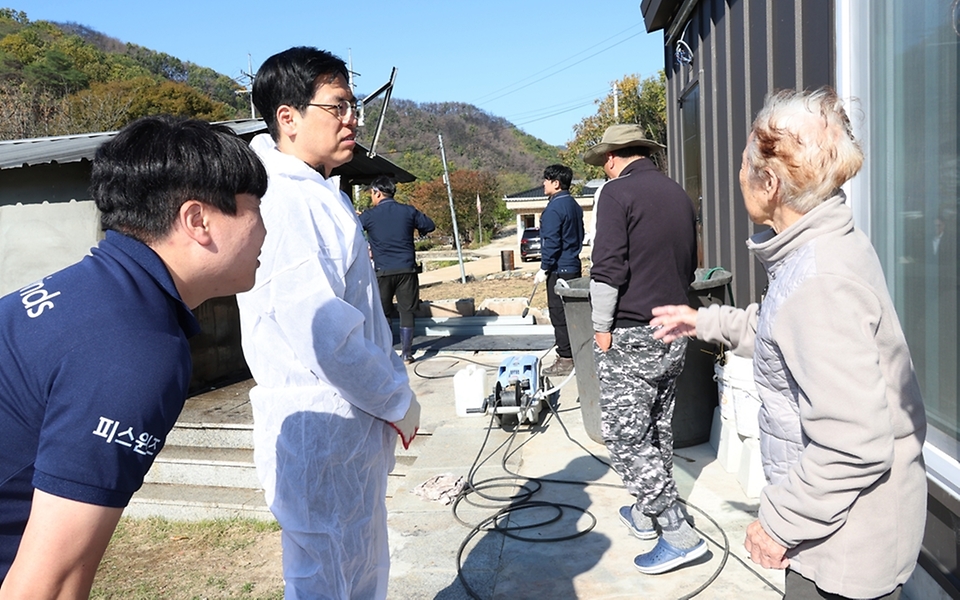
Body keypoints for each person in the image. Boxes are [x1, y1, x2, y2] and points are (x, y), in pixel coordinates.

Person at [650, 87, 927, 599]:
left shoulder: (816, 280)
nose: (738, 176)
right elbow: (780, 332)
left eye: (742, 164)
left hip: (844, 551)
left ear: (770, 183)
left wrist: (777, 525)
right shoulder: (818, 249)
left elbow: (854, 443)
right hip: (840, 530)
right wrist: (705, 321)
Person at [0, 115, 267, 597]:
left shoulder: (84, 291)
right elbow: (49, 583)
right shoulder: (135, 349)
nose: (266, 231)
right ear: (198, 220)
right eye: (256, 209)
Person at [235, 47, 420, 599]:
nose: (353, 119)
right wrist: (395, 399)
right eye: (337, 107)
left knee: (353, 565)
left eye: (353, 106)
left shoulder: (315, 190)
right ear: (287, 117)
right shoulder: (288, 200)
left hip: (341, 424)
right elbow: (322, 330)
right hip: (322, 424)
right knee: (327, 577)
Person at [584, 123, 705, 574]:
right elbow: (689, 262)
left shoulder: (617, 193)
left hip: (631, 331)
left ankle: (677, 532)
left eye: (604, 162)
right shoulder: (677, 193)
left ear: (614, 157)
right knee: (656, 426)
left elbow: (608, 266)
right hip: (673, 329)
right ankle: (644, 510)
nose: (605, 168)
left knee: (624, 436)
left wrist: (600, 326)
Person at [359, 175, 435, 363]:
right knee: (406, 311)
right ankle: (407, 354)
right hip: (406, 270)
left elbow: (350, 232)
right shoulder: (408, 211)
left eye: (371, 193)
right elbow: (429, 225)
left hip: (383, 271)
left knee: (383, 313)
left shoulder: (369, 216)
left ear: (377, 193)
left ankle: (386, 352)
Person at [535, 164, 584, 377]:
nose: (543, 183)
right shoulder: (574, 205)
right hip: (573, 265)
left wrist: (544, 268)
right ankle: (576, 354)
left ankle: (566, 358)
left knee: (559, 314)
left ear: (556, 183)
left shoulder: (554, 208)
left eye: (546, 179)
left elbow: (551, 242)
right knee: (573, 314)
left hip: (559, 270)